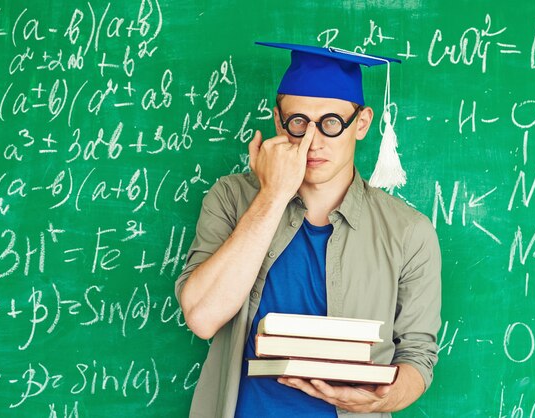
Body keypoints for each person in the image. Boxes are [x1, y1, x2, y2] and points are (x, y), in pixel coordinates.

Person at [175, 42, 442, 418]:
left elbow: (417, 356)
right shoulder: (231, 199)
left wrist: (384, 398)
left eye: (331, 122)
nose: (313, 141)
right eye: (298, 121)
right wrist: (273, 195)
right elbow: (202, 318)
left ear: (361, 123)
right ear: (278, 121)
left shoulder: (409, 232)